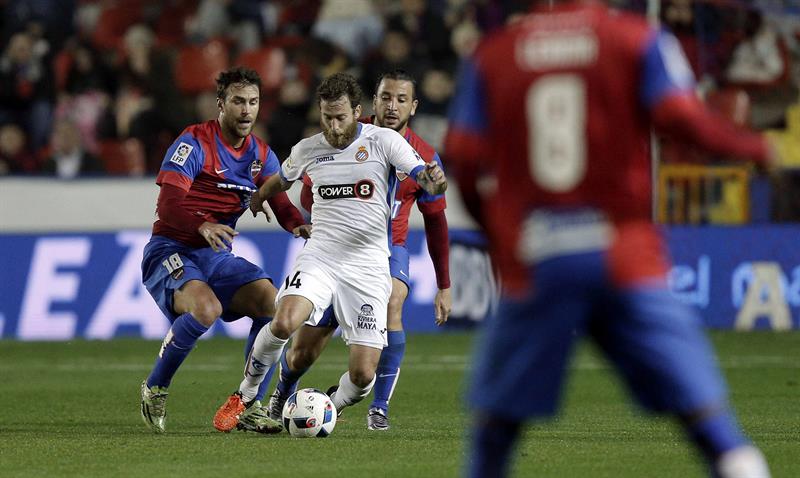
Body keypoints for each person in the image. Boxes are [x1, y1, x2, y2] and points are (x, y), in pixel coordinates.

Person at [445, 2, 775, 477]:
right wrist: (753, 147)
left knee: (494, 429)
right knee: (706, 417)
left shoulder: (493, 54)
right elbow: (682, 118)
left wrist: (504, 236)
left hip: (541, 257)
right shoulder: (635, 38)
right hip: (625, 254)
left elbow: (464, 158)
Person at [212, 72, 447, 432]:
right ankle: (244, 396)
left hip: (368, 266)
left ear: (356, 112)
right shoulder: (309, 148)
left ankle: (328, 407)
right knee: (284, 322)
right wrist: (260, 195)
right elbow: (283, 179)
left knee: (363, 373)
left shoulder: (383, 141)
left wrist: (433, 179)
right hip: (320, 256)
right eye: (326, 118)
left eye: (340, 117)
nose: (334, 127)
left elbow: (419, 173)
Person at [139, 67, 309, 434]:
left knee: (272, 305)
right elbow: (167, 206)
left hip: (215, 256)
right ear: (221, 104)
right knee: (206, 309)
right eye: (237, 101)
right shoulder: (194, 142)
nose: (246, 110)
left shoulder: (261, 155)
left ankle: (249, 404)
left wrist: (302, 225)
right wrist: (201, 225)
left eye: (253, 102)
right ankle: (155, 386)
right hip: (171, 248)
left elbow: (281, 204)